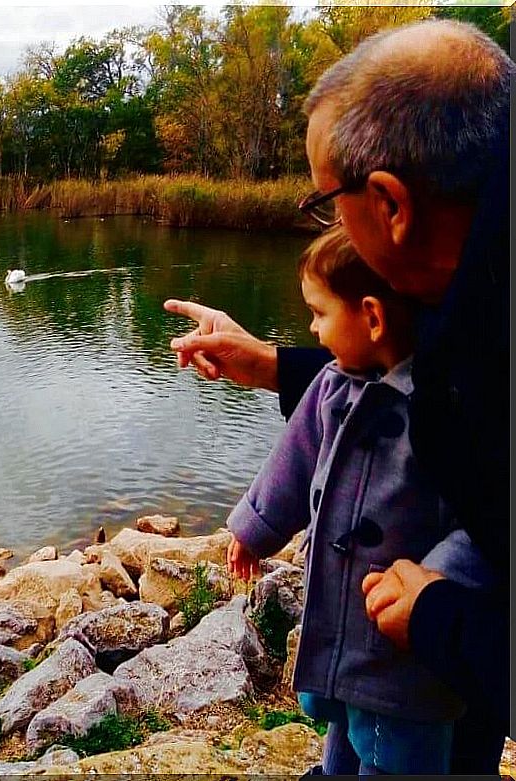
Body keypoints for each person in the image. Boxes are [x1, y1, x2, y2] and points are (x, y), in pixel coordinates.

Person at [165, 18, 511, 774]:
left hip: (417, 666)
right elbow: (358, 392)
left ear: (388, 204)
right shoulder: (471, 299)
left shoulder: (486, 355)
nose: (329, 223)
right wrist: (264, 365)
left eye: (326, 199)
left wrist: (444, 617)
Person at [226, 226, 492, 775]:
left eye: (319, 313)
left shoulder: (446, 406)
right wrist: (253, 528)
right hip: (343, 631)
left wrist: (435, 586)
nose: (311, 328)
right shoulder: (331, 386)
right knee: (343, 737)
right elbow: (293, 464)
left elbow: (486, 521)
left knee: (402, 756)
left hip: (405, 652)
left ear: (371, 317)